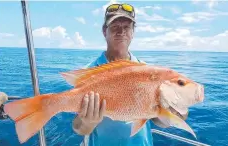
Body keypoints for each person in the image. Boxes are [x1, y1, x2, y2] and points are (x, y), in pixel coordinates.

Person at [72, 3, 188, 146]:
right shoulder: (88, 73)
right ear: (104, 31)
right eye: (115, 26)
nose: (121, 31)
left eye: (127, 27)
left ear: (133, 32)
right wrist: (87, 123)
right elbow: (78, 128)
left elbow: (158, 120)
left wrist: (173, 115)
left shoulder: (148, 72)